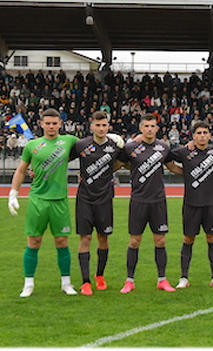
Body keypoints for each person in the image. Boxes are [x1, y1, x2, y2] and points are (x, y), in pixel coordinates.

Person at [8, 109, 80, 297]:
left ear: (60, 124)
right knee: (33, 241)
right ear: (41, 124)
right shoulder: (32, 145)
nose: (51, 126)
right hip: (38, 200)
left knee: (62, 241)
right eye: (47, 123)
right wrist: (13, 193)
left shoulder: (69, 141)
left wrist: (111, 136)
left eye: (54, 123)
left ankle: (66, 283)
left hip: (59, 201)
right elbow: (21, 170)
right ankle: (28, 283)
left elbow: (91, 145)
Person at [116, 113, 182, 294]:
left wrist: (195, 171)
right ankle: (129, 280)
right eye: (146, 126)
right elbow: (116, 165)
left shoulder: (164, 147)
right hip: (138, 200)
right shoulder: (130, 148)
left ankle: (162, 279)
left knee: (160, 240)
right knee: (135, 241)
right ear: (141, 128)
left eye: (153, 126)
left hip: (158, 200)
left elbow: (173, 168)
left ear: (157, 128)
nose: (150, 129)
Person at [70, 111, 124, 295]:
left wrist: (108, 171)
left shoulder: (115, 146)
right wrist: (34, 168)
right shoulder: (81, 145)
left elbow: (125, 161)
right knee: (85, 238)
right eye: (97, 125)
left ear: (108, 126)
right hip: (85, 198)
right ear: (91, 126)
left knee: (103, 238)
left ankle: (99, 275)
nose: (101, 128)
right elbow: (60, 159)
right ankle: (85, 282)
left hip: (105, 198)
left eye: (104, 125)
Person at [171, 121, 213, 289]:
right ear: (193, 136)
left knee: (212, 237)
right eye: (199, 133)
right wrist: (181, 172)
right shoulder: (184, 151)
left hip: (210, 204)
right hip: (191, 204)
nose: (202, 136)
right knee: (188, 239)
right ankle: (183, 278)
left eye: (205, 133)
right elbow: (165, 156)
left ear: (209, 135)